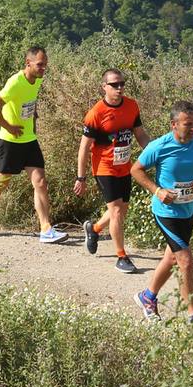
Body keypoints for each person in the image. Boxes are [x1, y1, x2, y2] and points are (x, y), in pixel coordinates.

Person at [131, 100, 193, 327]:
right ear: (173, 124)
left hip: (189, 209)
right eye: (188, 124)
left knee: (171, 257)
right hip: (166, 212)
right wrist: (157, 191)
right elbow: (136, 170)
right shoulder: (160, 146)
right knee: (185, 261)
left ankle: (147, 297)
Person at [0, 47, 67, 244]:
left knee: (41, 183)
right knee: (0, 184)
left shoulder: (37, 79)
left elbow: (28, 100)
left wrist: (32, 114)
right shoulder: (14, 82)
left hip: (29, 140)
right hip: (9, 141)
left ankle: (46, 228)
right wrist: (9, 127)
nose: (44, 69)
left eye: (45, 65)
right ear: (28, 63)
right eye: (40, 65)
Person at [74, 68, 148, 273]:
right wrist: (81, 177)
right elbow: (83, 148)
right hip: (104, 167)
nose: (119, 88)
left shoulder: (132, 106)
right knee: (116, 210)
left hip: (125, 166)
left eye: (122, 83)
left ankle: (94, 229)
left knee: (121, 210)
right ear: (104, 87)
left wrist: (153, 155)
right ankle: (121, 257)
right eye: (114, 84)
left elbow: (140, 134)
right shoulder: (96, 114)